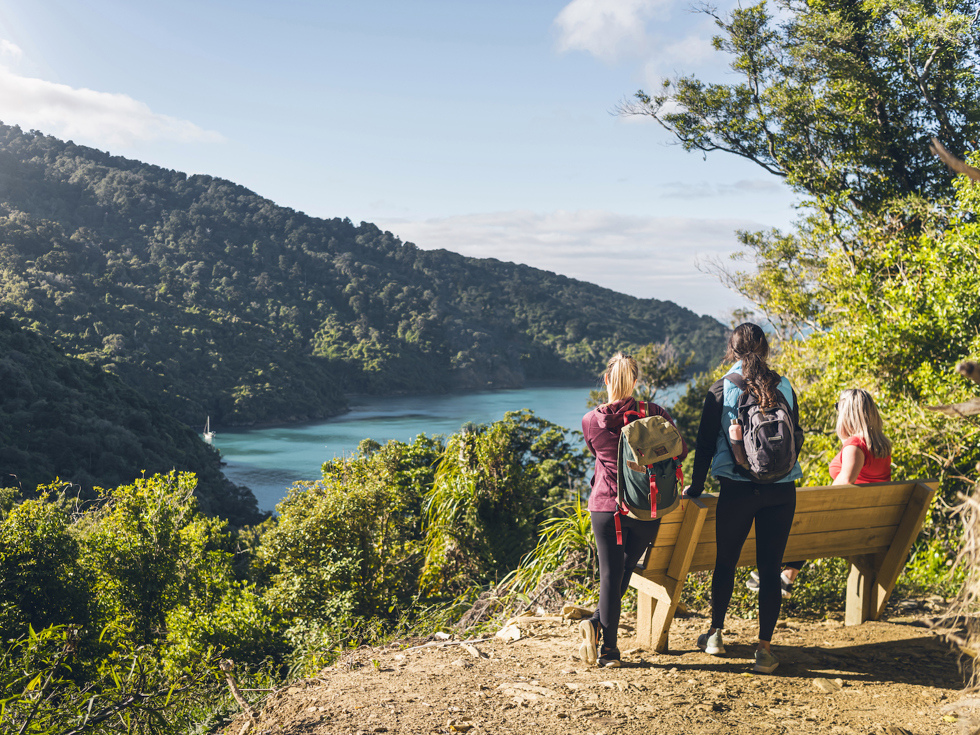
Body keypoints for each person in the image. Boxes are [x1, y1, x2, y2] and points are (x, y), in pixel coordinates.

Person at [684, 323, 804, 674]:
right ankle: (764, 650)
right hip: (782, 490)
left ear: (732, 351)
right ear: (765, 349)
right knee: (770, 569)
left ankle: (716, 635)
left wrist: (695, 486)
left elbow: (705, 446)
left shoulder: (722, 389)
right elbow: (796, 437)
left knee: (726, 562)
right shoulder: (785, 386)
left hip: (737, 488)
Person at [580, 352, 688, 668]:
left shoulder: (591, 421)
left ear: (606, 380)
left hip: (606, 508)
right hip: (645, 508)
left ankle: (608, 647)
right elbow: (678, 451)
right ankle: (599, 626)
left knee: (611, 574)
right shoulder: (655, 414)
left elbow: (596, 453)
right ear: (636, 381)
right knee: (624, 570)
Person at [752, 388, 892, 596]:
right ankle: (785, 577)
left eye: (838, 407)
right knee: (811, 522)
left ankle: (775, 572)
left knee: (807, 519)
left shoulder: (855, 445)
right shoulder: (881, 446)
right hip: (870, 524)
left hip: (848, 524)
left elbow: (845, 483)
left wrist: (819, 506)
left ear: (848, 412)